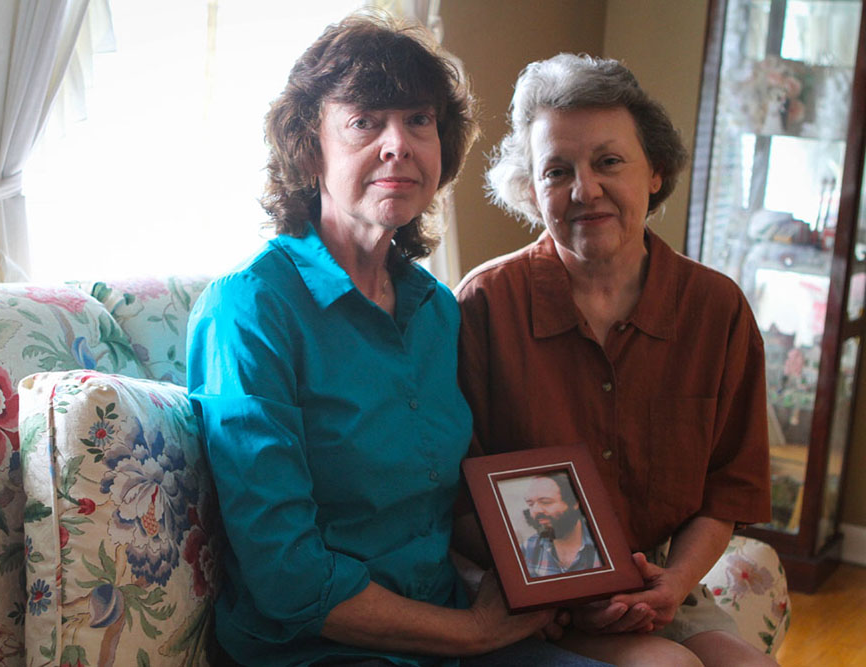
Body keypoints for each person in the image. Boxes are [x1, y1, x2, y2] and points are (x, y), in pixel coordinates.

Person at [187, 16, 607, 667]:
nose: (399, 144)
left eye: (419, 119)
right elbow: (287, 577)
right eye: (365, 121)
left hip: (445, 623)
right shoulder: (249, 309)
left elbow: (456, 500)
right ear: (308, 147)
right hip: (320, 648)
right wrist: (475, 632)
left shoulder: (437, 309)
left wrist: (566, 574)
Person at [455, 53, 776, 666]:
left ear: (654, 172)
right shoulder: (484, 305)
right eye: (556, 171)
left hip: (659, 580)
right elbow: (452, 491)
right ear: (530, 191)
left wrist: (673, 583)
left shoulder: (716, 310)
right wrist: (573, 591)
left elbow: (729, 490)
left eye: (608, 162)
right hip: (529, 585)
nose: (584, 190)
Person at [520, 473, 601, 578]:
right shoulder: (527, 550)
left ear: (574, 503)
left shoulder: (604, 544)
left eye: (545, 502)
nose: (535, 511)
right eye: (530, 504)